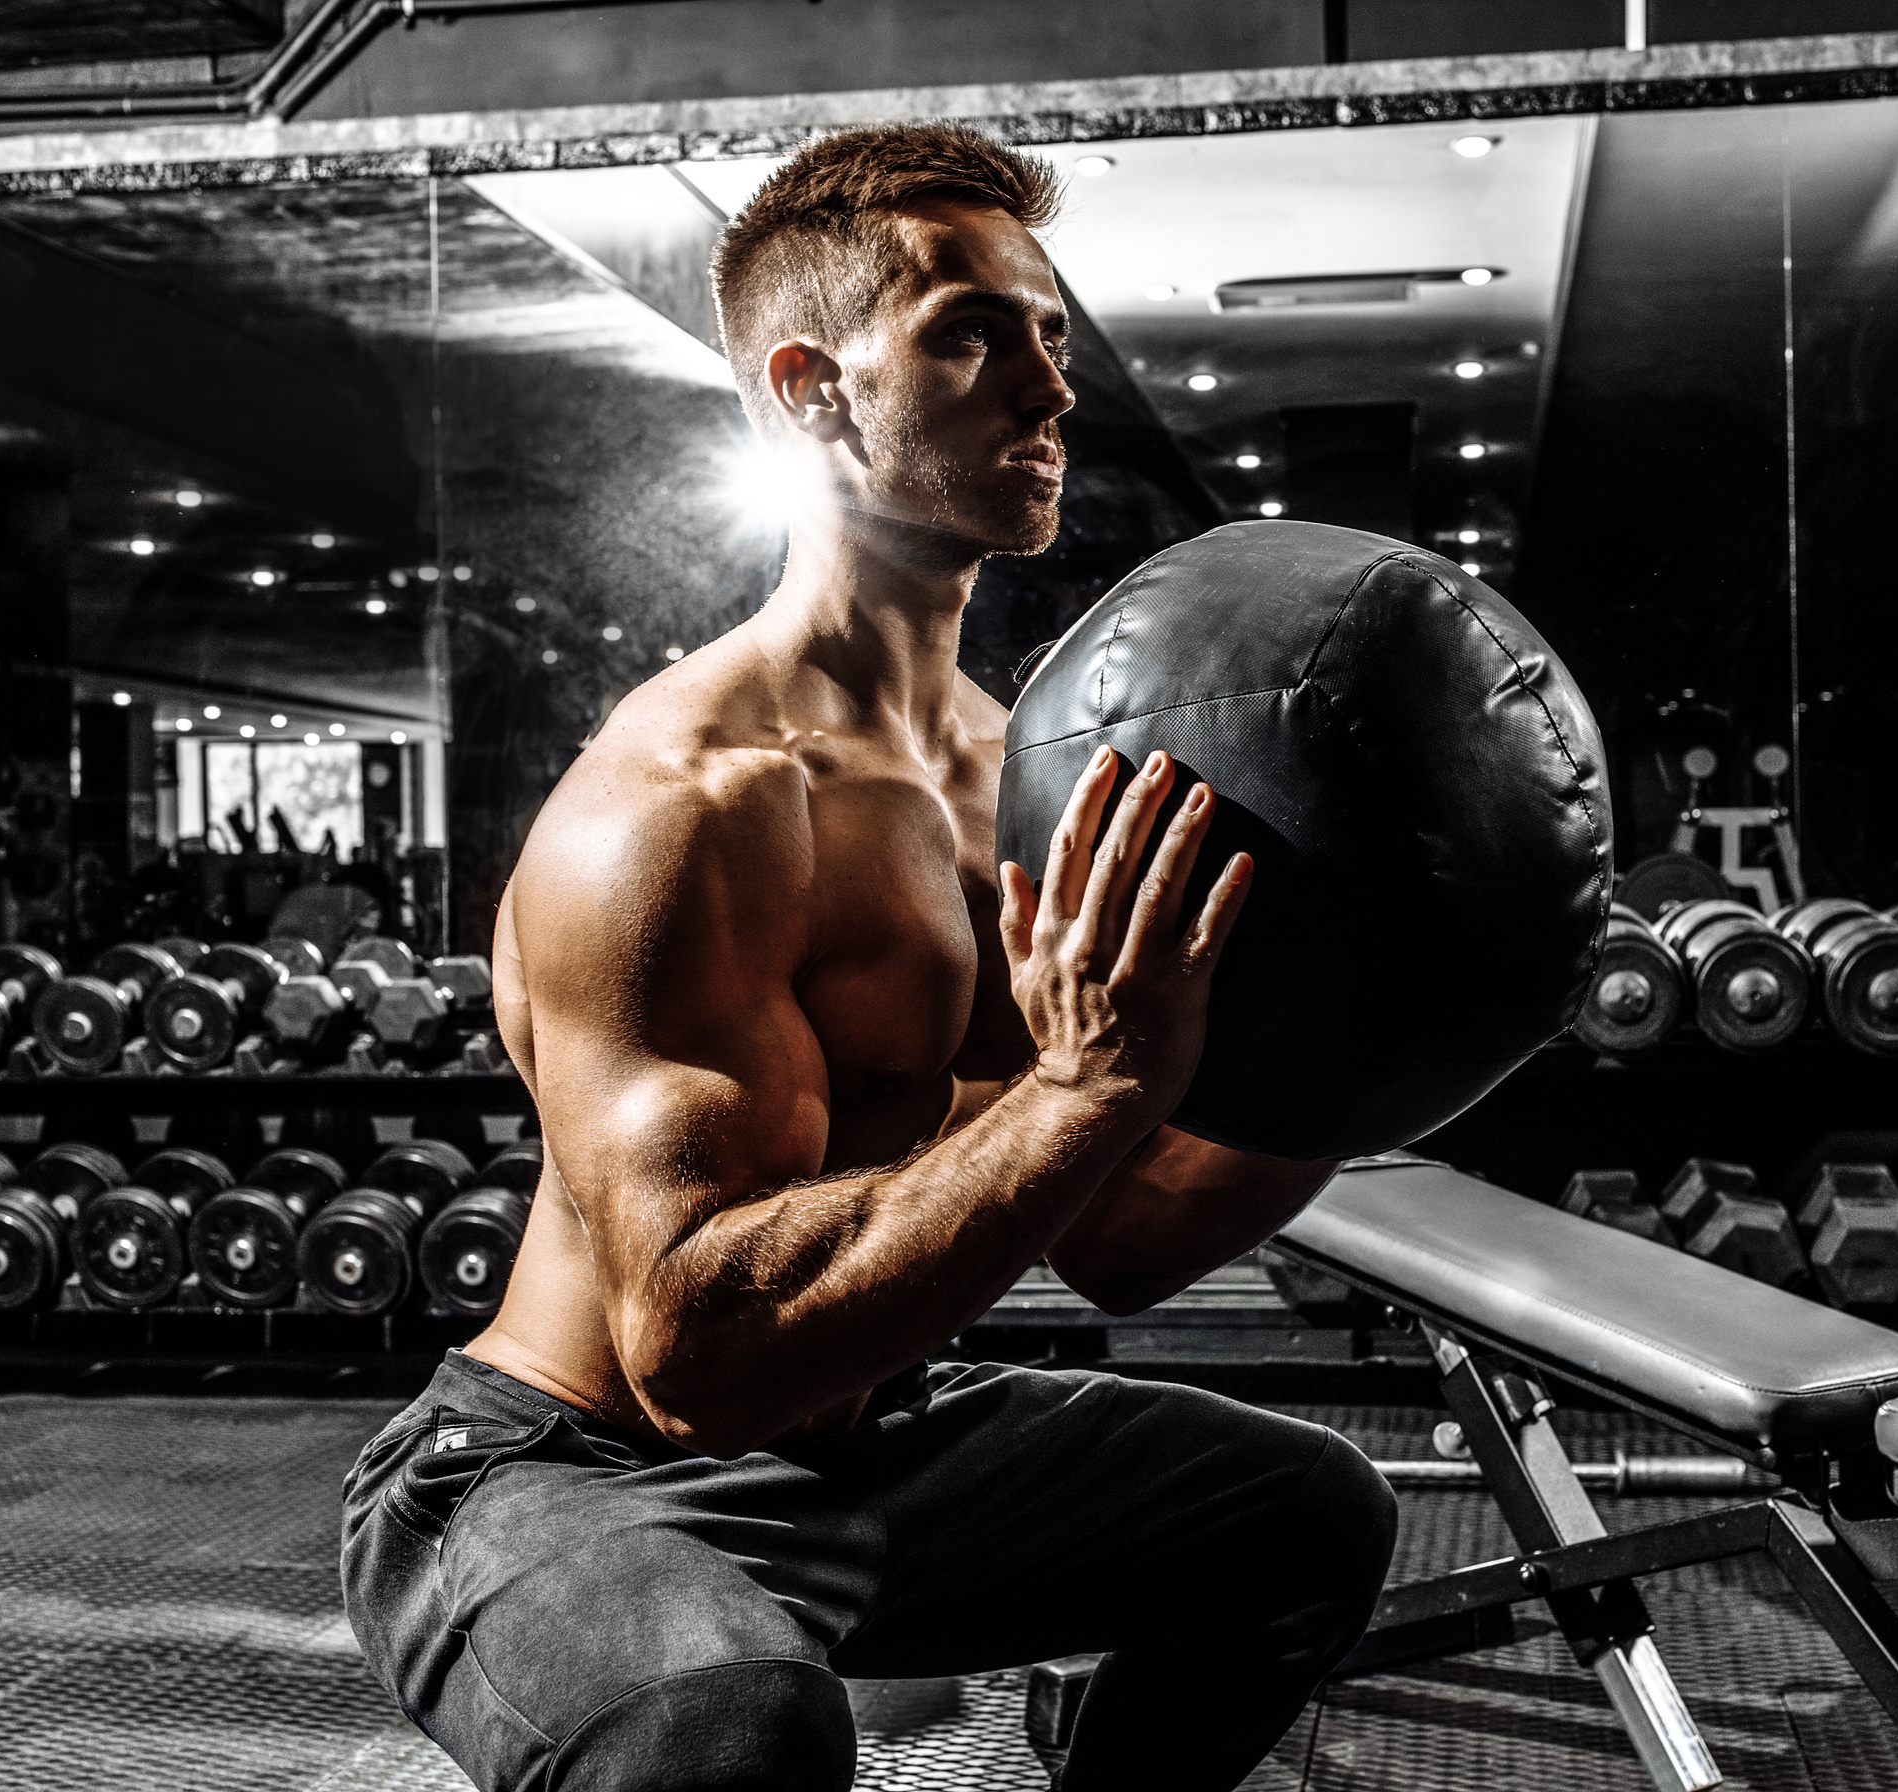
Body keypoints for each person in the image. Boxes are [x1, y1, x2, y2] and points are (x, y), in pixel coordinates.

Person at [341, 124, 1397, 1792]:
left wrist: (1391, 1044)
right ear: (812, 385)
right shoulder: (689, 802)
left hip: (865, 1447)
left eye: (1053, 337)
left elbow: (1117, 1233)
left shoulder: (1005, 769)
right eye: (973, 334)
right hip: (573, 1471)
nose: (1050, 393)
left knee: (1303, 1518)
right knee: (722, 1729)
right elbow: (698, 1357)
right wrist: (1092, 1079)